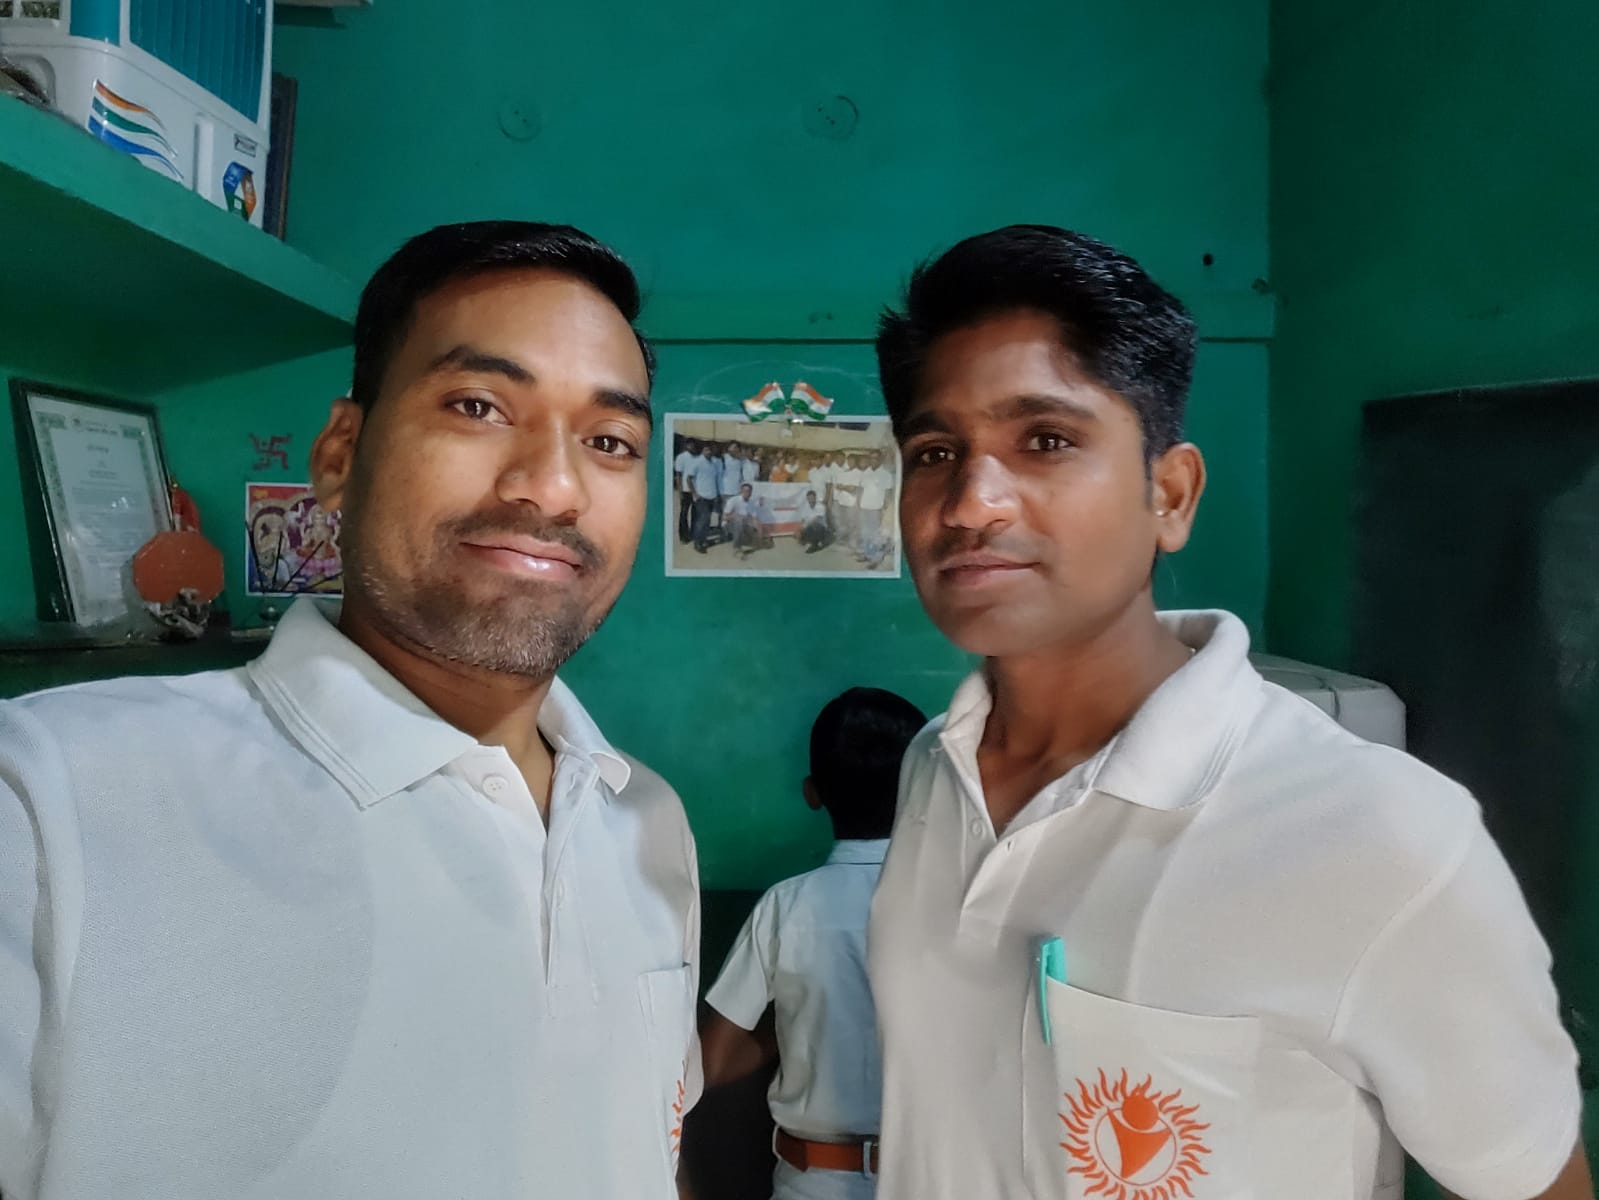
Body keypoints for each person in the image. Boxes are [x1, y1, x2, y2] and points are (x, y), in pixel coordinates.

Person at [866, 224, 1591, 1200]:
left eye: (1045, 440)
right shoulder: (934, 771)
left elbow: (1534, 1183)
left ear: (1169, 495)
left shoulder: (1379, 836)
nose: (970, 503)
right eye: (934, 451)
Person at [0, 221, 701, 1200]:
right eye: (478, 405)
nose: (551, 487)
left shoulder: (645, 822)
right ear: (340, 453)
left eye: (609, 441)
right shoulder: (50, 802)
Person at [700, 688, 928, 1200]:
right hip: (934, 1179)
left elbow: (713, 1062)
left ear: (812, 793)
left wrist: (793, 1026)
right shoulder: (959, 905)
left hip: (812, 1183)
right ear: (924, 791)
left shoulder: (785, 908)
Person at [854, 450, 895, 568]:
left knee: (877, 535)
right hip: (864, 507)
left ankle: (876, 559)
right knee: (865, 533)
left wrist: (885, 509)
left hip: (877, 509)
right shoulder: (865, 473)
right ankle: (867, 554)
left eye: (876, 458)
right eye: (871, 458)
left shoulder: (886, 475)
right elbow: (861, 490)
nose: (873, 460)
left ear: (880, 460)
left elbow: (888, 493)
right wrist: (858, 503)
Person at [690, 439, 724, 553]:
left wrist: (717, 494)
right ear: (702, 451)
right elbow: (689, 478)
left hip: (712, 496)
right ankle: (697, 543)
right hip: (701, 497)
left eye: (710, 450)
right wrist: (694, 494)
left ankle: (703, 539)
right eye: (706, 450)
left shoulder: (714, 463)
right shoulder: (697, 462)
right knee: (702, 520)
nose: (708, 452)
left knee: (707, 520)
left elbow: (716, 480)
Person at [724, 482, 765, 557]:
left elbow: (754, 518)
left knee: (757, 522)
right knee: (739, 521)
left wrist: (760, 534)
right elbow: (724, 517)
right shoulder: (733, 500)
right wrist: (736, 516)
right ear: (741, 491)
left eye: (748, 491)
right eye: (744, 491)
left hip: (744, 522)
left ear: (751, 493)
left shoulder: (751, 502)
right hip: (729, 524)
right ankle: (737, 548)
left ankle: (751, 540)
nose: (746, 493)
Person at [674, 436, 703, 543]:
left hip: (696, 491)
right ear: (686, 445)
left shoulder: (698, 458)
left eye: (693, 444)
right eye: (690, 444)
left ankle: (693, 533)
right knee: (684, 513)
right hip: (685, 490)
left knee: (695, 513)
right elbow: (678, 475)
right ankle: (683, 536)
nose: (692, 446)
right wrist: (680, 491)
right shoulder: (681, 457)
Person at [832, 453, 863, 551]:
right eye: (848, 460)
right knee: (843, 522)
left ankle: (853, 542)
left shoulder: (859, 473)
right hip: (842, 501)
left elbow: (853, 489)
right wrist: (846, 487)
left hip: (852, 502)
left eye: (852, 460)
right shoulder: (844, 472)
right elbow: (837, 486)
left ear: (856, 461)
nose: (850, 462)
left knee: (852, 523)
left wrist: (843, 487)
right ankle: (843, 540)